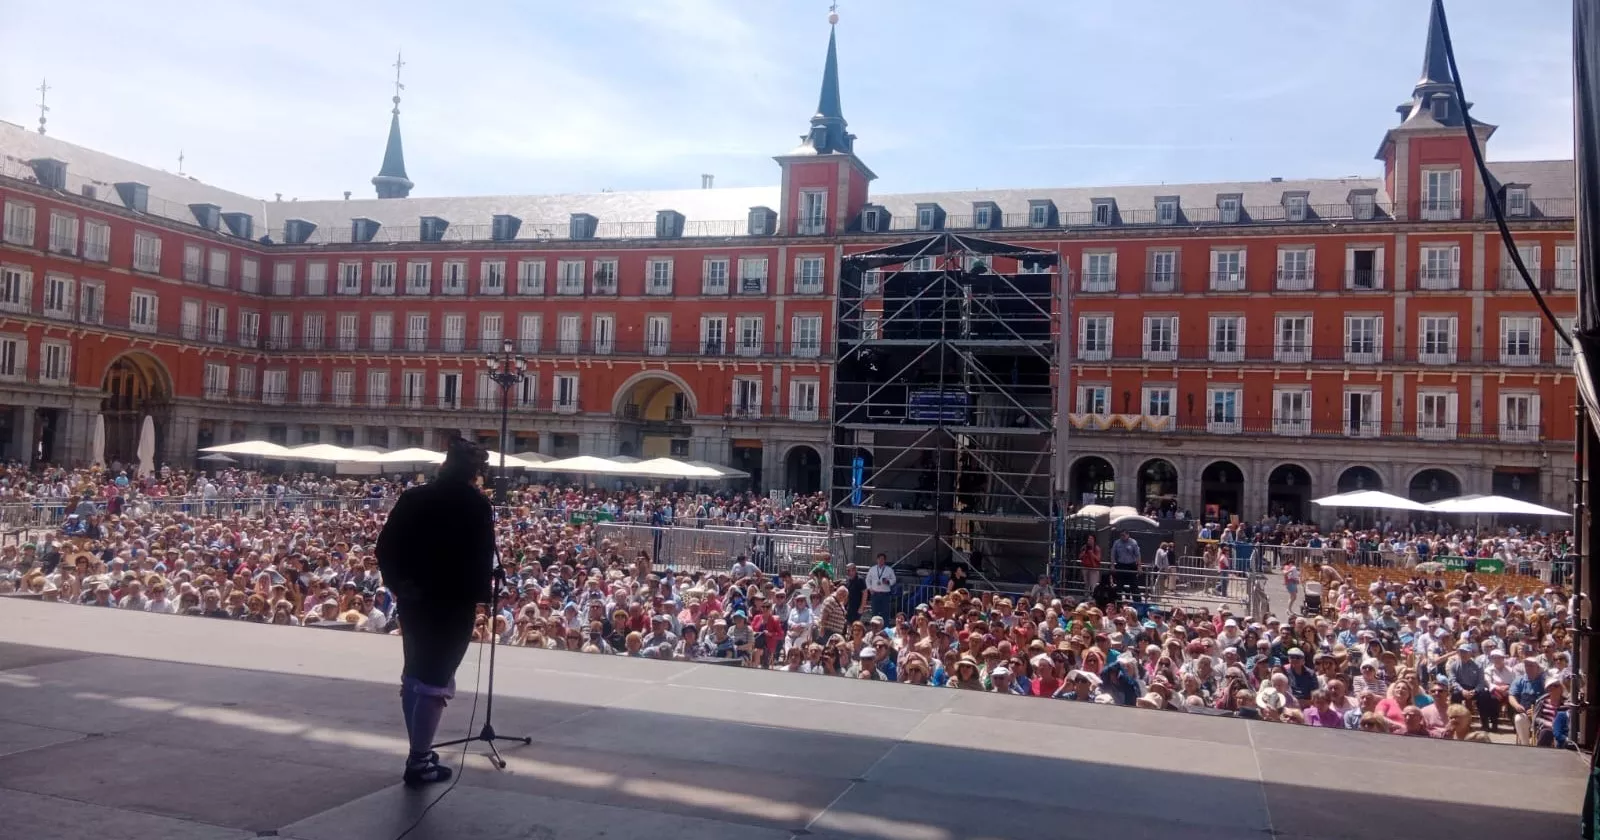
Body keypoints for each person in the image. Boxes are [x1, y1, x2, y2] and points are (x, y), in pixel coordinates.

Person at [376, 437, 495, 787]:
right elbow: (481, 556)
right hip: (452, 602)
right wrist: (480, 599)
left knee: (414, 672)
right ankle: (418, 761)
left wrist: (400, 585)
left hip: (414, 599)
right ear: (474, 471)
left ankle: (421, 753)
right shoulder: (476, 505)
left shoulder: (415, 496)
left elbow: (385, 546)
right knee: (436, 679)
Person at [865, 553, 896, 621]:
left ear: (885, 560)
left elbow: (894, 580)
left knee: (885, 612)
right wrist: (870, 589)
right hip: (875, 594)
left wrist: (888, 582)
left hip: (885, 594)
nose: (881, 561)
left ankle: (885, 628)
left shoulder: (889, 569)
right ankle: (874, 628)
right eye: (879, 559)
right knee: (874, 612)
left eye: (882, 559)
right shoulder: (872, 569)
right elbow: (867, 580)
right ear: (877, 560)